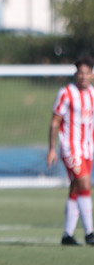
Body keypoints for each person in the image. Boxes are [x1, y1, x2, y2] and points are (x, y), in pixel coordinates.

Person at [47, 55, 94, 246]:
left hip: (88, 149)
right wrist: (52, 148)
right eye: (80, 73)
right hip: (70, 148)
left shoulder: (93, 94)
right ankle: (90, 233)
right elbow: (55, 122)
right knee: (84, 184)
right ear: (76, 74)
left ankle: (67, 234)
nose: (83, 76)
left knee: (76, 188)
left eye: (87, 73)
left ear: (91, 75)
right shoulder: (66, 93)